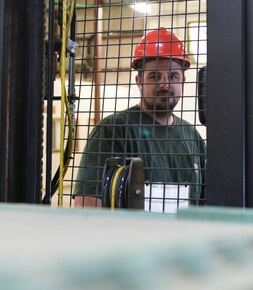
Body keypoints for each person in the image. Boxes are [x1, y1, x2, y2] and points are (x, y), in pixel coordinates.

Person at [74, 27, 206, 209]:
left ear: (182, 81)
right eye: (154, 76)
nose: (164, 84)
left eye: (173, 76)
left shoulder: (193, 136)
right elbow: (87, 205)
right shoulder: (113, 130)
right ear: (139, 82)